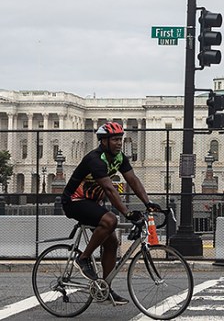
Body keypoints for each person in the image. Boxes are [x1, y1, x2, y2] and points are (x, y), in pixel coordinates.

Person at [61, 121, 160, 305]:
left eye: (120, 139)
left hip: (91, 203)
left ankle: (104, 288)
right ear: (103, 141)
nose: (118, 143)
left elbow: (133, 180)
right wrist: (128, 213)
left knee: (113, 243)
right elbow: (109, 189)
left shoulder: (119, 158)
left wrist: (148, 202)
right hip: (73, 202)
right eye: (114, 139)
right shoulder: (95, 159)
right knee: (110, 220)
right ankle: (82, 259)